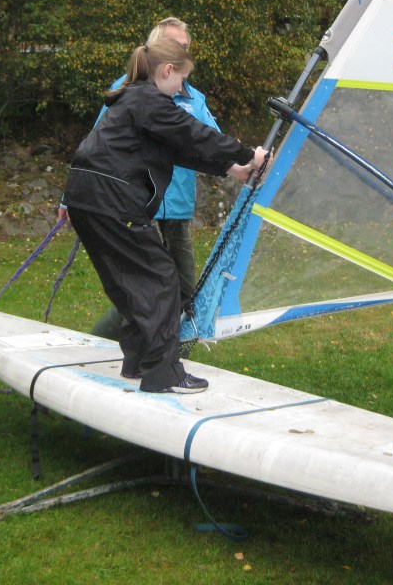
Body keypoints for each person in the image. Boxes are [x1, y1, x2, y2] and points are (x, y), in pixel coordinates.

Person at [62, 39, 268, 394]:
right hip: (112, 200)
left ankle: (139, 362)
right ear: (167, 71)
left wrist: (231, 168)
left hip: (85, 198)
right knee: (162, 280)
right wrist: (248, 154)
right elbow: (193, 133)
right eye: (181, 80)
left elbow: (175, 149)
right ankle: (164, 373)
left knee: (132, 283)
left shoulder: (133, 100)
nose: (181, 90)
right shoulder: (150, 101)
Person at [89, 17, 218, 340]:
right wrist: (70, 198)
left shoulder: (193, 98)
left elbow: (212, 141)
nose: (182, 51)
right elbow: (97, 145)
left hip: (176, 209)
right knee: (145, 288)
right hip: (137, 205)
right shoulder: (129, 89)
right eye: (175, 45)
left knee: (184, 289)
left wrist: (248, 162)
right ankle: (101, 341)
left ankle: (167, 349)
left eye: (186, 46)